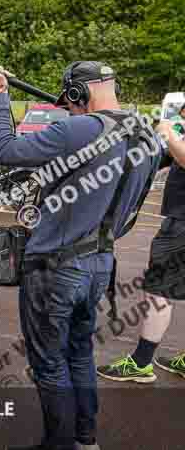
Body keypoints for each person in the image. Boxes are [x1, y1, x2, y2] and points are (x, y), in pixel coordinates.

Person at [0, 61, 161, 450]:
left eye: (69, 99)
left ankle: (60, 443)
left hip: (57, 268)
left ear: (78, 93)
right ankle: (85, 438)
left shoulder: (79, 128)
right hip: (100, 263)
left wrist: (1, 95)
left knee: (49, 364)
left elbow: (5, 151)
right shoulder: (144, 133)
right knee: (79, 353)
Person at [96, 112, 185, 383]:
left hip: (181, 224)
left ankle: (141, 362)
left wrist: (169, 131)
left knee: (157, 292)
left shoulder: (175, 130)